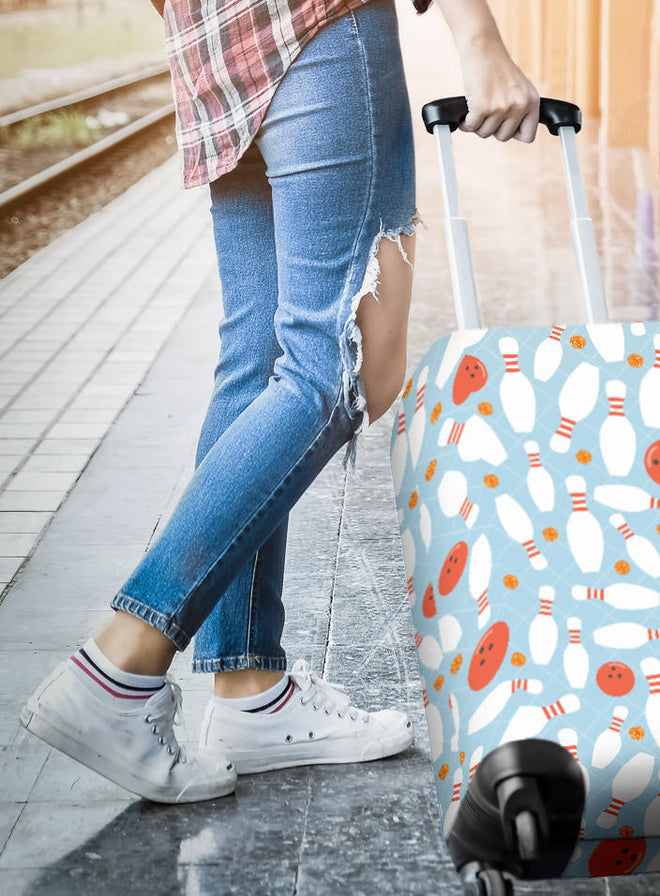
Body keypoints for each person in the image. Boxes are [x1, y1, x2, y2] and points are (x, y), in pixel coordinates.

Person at [20, 0, 540, 803]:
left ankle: (248, 690)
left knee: (258, 361)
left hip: (214, 47)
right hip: (320, 25)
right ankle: (120, 666)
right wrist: (480, 40)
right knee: (338, 367)